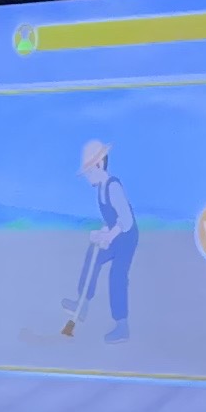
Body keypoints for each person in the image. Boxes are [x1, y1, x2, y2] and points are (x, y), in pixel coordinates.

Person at [67, 135, 137, 341]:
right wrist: (102, 232)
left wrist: (110, 236)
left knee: (117, 276)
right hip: (116, 234)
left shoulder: (113, 186)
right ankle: (82, 304)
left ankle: (122, 326)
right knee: (93, 254)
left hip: (127, 238)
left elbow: (126, 220)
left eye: (89, 171)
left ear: (99, 165)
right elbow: (111, 219)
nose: (88, 177)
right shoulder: (100, 190)